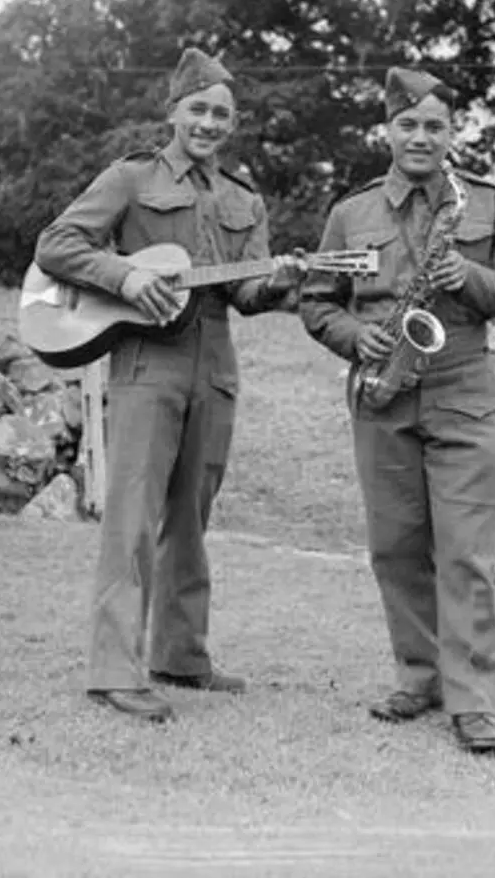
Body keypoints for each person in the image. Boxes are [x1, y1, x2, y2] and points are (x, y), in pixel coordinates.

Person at [35, 47, 306, 722]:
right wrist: (125, 276)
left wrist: (281, 280)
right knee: (132, 516)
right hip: (145, 364)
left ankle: (181, 656)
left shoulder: (246, 199)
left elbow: (246, 290)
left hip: (215, 366)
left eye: (221, 113)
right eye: (199, 108)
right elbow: (57, 244)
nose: (209, 122)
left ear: (233, 123)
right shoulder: (130, 178)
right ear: (173, 112)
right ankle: (112, 671)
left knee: (191, 518)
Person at [299, 67, 495, 753]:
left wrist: (469, 276)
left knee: (465, 552)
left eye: (434, 125)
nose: (420, 136)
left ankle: (472, 701)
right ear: (387, 130)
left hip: (463, 383)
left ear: (451, 133)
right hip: (382, 388)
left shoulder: (489, 205)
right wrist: (357, 337)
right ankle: (419, 675)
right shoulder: (352, 212)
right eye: (407, 124)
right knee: (396, 547)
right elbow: (316, 302)